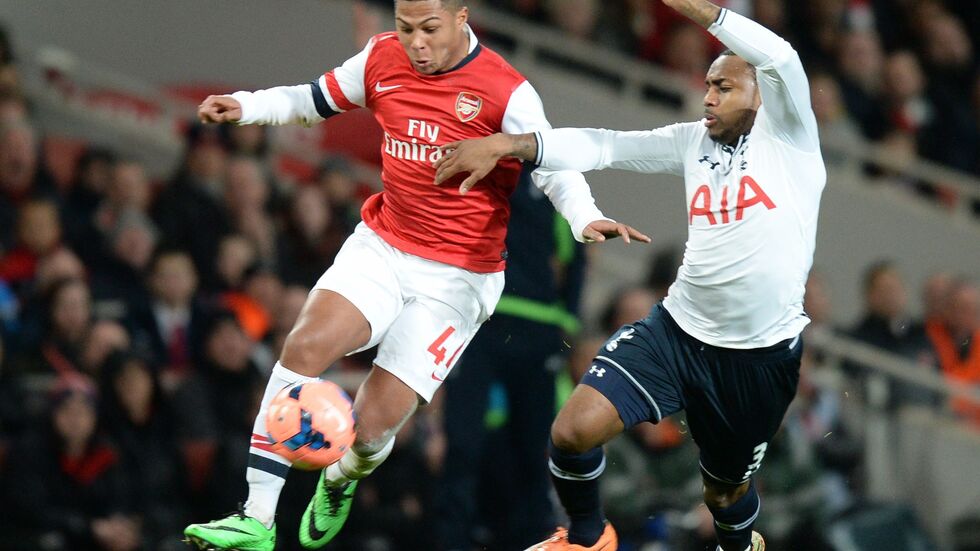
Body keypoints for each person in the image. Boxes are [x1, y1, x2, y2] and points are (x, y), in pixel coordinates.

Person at [182, 1, 648, 550]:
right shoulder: (382, 57)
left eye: (429, 29)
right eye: (406, 29)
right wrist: (245, 106)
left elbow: (552, 165)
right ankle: (256, 518)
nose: (416, 43)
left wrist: (583, 215)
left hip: (458, 281)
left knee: (374, 426)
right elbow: (312, 100)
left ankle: (341, 477)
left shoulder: (506, 90)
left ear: (461, 17)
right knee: (304, 345)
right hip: (383, 246)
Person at [434, 0, 825, 549]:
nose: (708, 97)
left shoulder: (792, 142)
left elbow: (780, 55)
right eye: (707, 85)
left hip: (756, 358)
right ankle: (588, 537)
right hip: (676, 332)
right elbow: (605, 145)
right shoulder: (694, 141)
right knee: (570, 433)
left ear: (761, 95)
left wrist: (697, 10)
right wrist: (509, 144)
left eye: (724, 88)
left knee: (725, 494)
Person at [436, 164, 587, 550]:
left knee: (531, 452)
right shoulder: (483, 170)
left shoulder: (555, 178)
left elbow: (577, 247)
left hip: (533, 326)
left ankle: (530, 540)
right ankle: (453, 540)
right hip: (484, 319)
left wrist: (567, 316)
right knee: (465, 446)